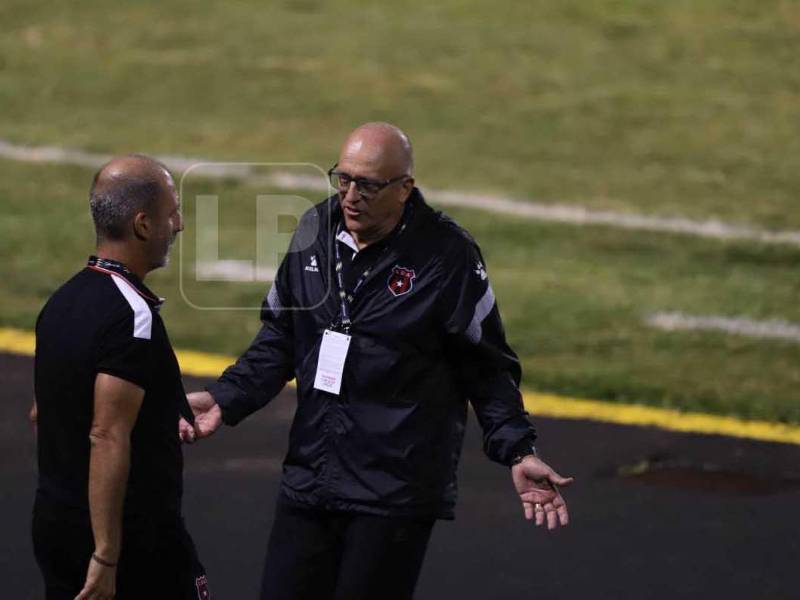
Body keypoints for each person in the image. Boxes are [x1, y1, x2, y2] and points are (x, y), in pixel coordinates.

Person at [183, 123, 572, 600]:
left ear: (405, 188)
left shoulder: (445, 255)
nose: (351, 196)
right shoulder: (315, 229)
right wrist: (227, 396)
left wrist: (517, 448)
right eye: (342, 179)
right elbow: (282, 337)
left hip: (393, 490)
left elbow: (486, 366)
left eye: (367, 184)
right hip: (312, 473)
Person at [32, 155, 210, 600]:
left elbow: (46, 411)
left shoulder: (61, 302)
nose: (180, 225)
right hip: (129, 538)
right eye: (173, 214)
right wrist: (107, 554)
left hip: (55, 522)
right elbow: (106, 435)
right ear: (143, 225)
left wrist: (154, 414)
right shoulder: (132, 316)